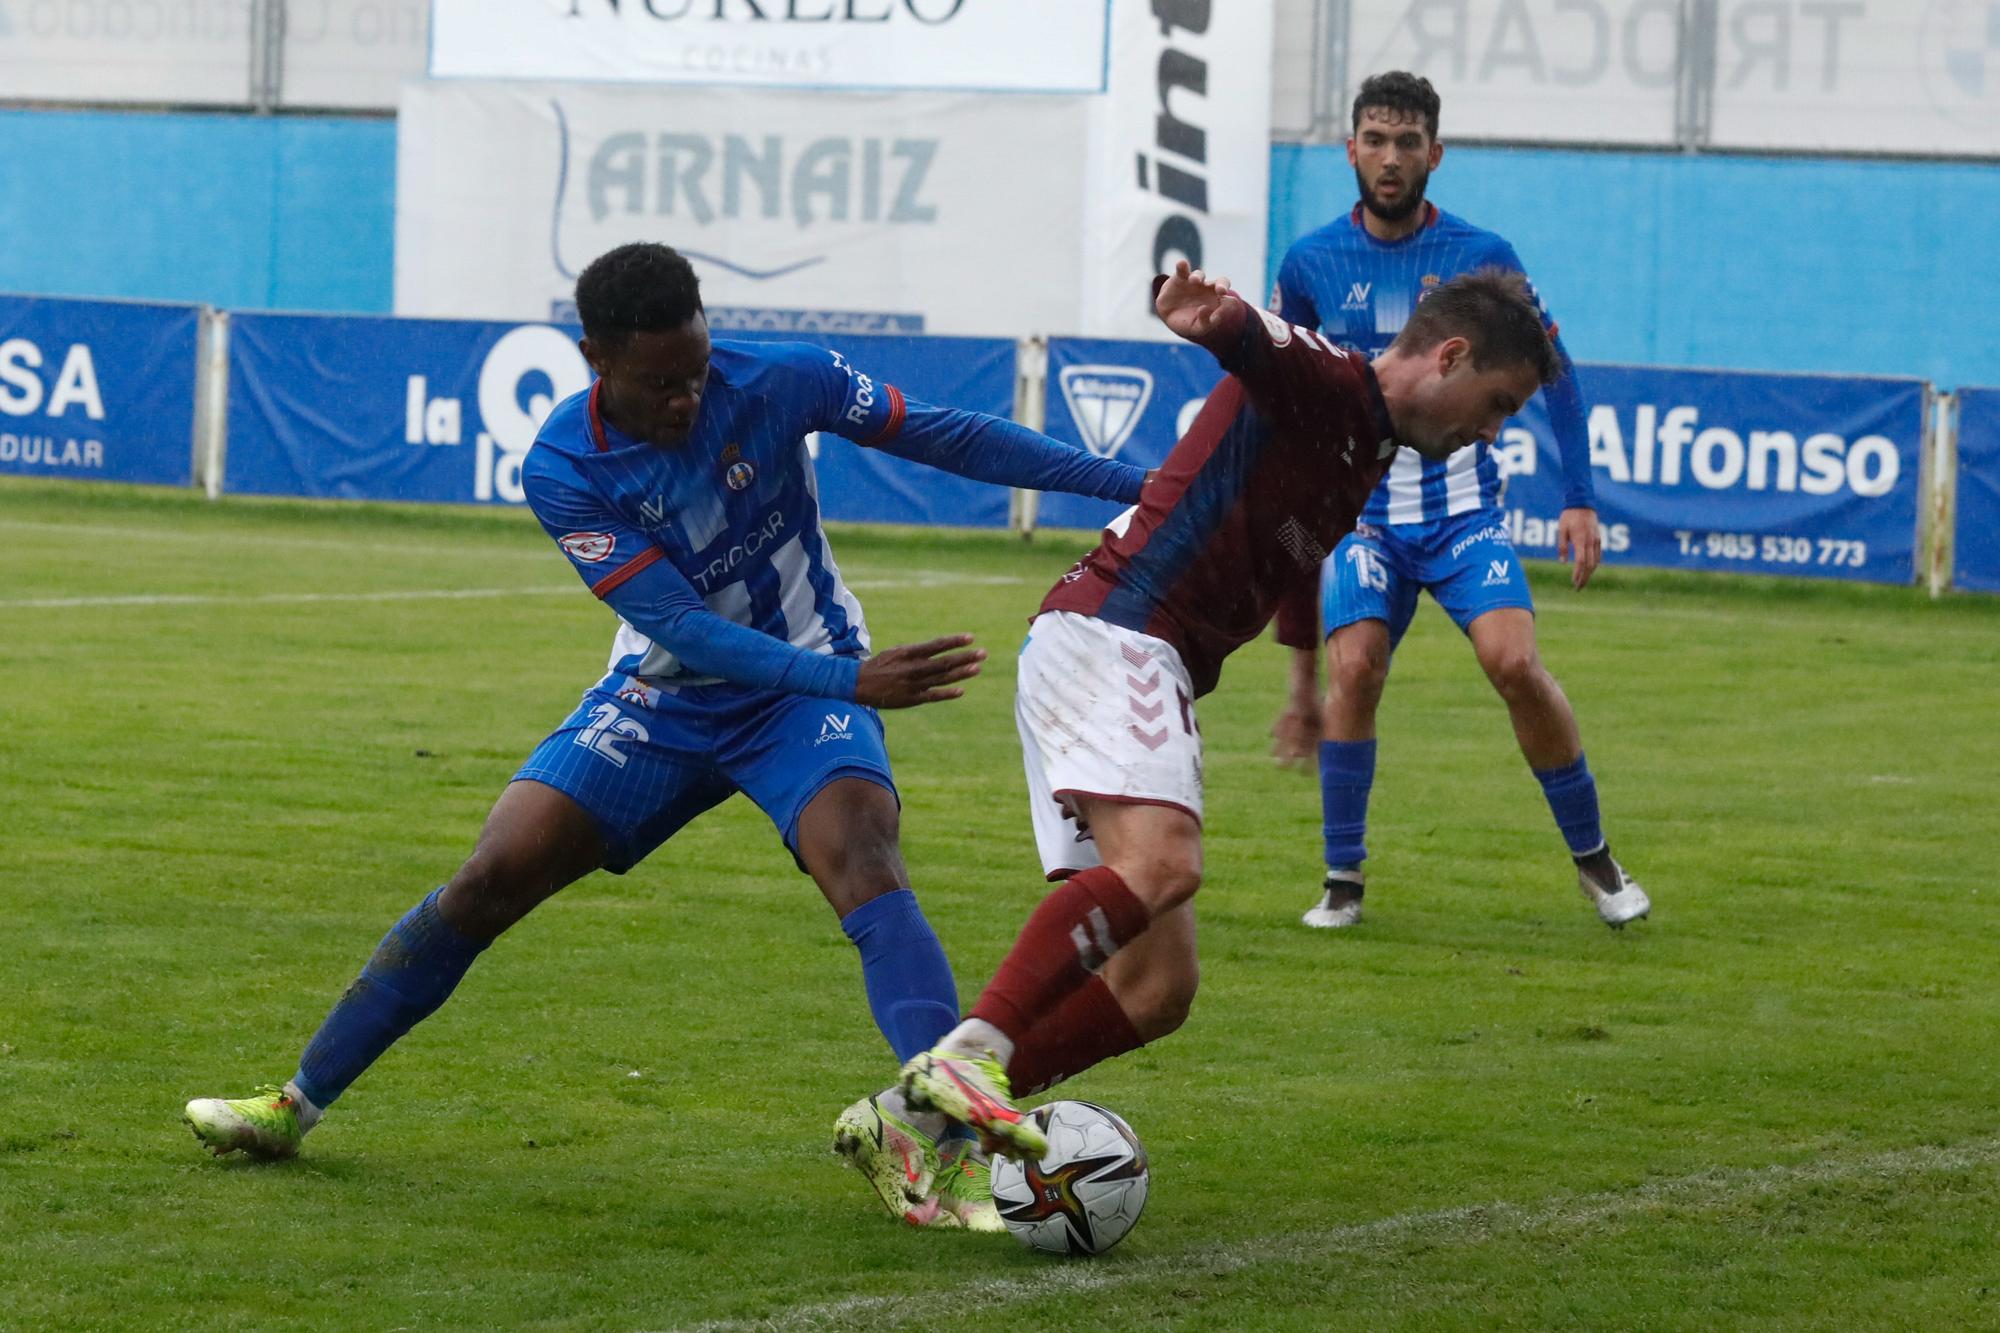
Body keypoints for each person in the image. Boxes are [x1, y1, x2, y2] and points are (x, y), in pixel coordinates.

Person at [182, 241, 1148, 1233]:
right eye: (658, 384)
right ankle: (292, 1105)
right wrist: (850, 679)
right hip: (669, 695)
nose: (686, 397)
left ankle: (924, 1143)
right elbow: (683, 629)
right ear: (594, 354)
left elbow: (945, 436)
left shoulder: (781, 380)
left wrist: (1133, 486)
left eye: (694, 369)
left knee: (862, 853)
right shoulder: (564, 465)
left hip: (798, 687)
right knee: (489, 875)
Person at [885, 259, 1562, 1157]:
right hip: (1116, 636)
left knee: (1158, 986)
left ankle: (914, 1124)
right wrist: (1206, 313)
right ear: (1451, 355)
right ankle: (972, 1056)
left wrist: (1300, 686)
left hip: (1119, 652)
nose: (1492, 430)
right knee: (1165, 865)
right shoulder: (1327, 374)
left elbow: (1292, 547)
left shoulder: (1366, 446)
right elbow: (1256, 342)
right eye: (1501, 403)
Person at [1267, 71, 1649, 931]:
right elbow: (1285, 394)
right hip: (1360, 516)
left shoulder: (1486, 256)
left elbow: (1556, 370)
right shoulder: (1309, 262)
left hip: (1465, 513)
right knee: (1355, 668)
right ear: (1351, 148)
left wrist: (1579, 499)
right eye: (1375, 139)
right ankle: (1342, 880)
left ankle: (1596, 860)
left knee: (1514, 663)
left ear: (1435, 153)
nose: (1391, 158)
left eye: (1408, 142)